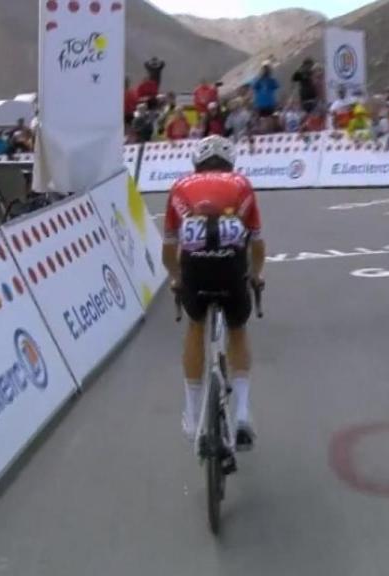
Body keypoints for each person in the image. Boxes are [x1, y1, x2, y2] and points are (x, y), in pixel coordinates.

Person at [162, 135, 266, 449]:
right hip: (231, 266)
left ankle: (192, 415)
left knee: (195, 325)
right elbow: (257, 245)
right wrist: (255, 275)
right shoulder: (242, 184)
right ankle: (242, 413)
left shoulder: (180, 186)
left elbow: (168, 251)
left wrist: (176, 278)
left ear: (197, 163)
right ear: (230, 164)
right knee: (238, 329)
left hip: (195, 266)